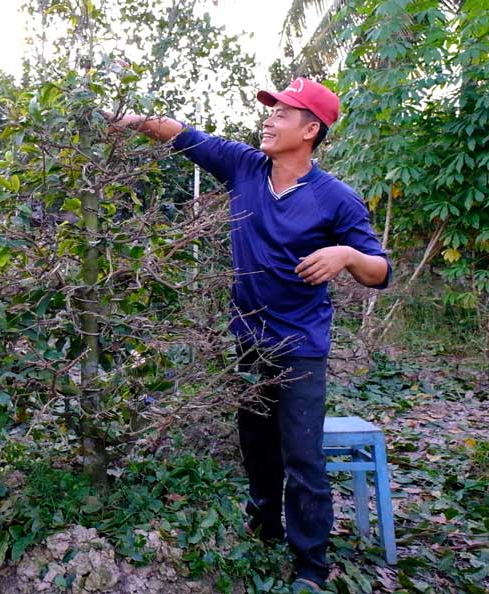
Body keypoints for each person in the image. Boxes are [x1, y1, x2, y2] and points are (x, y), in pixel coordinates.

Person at [113, 78, 390, 592]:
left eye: (283, 113)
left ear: (310, 130)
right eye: (271, 110)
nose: (269, 119)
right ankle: (263, 529)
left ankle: (310, 565)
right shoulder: (243, 168)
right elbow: (182, 134)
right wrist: (126, 121)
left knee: (302, 455)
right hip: (248, 339)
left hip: (301, 347)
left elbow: (379, 270)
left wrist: (346, 255)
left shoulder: (336, 199)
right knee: (256, 444)